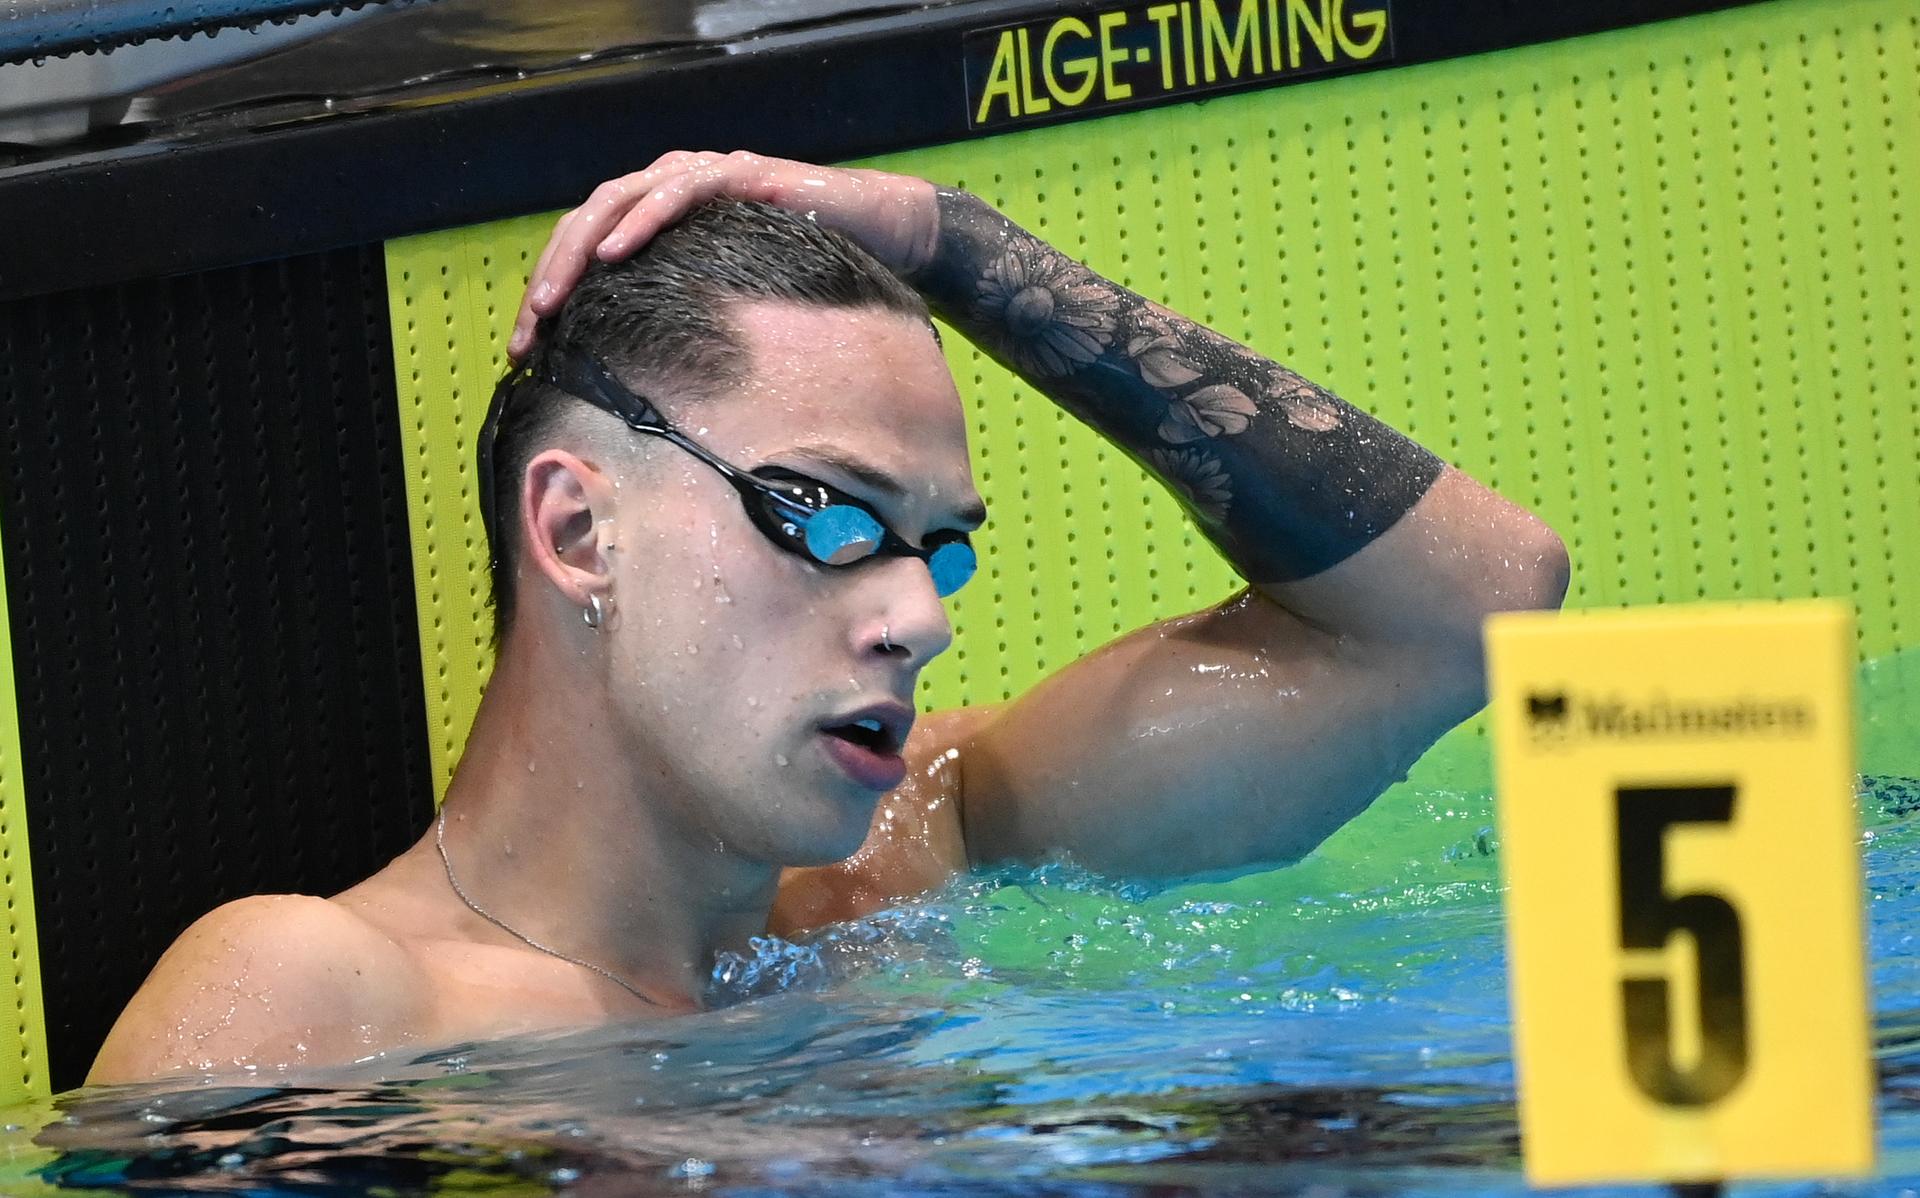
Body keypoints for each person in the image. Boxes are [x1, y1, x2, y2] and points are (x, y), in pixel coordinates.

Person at [89, 151, 1568, 1083]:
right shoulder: (329, 999)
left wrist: (957, 244)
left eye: (937, 548)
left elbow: (1475, 606)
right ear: (573, 528)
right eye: (831, 519)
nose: (918, 614)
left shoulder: (935, 843)